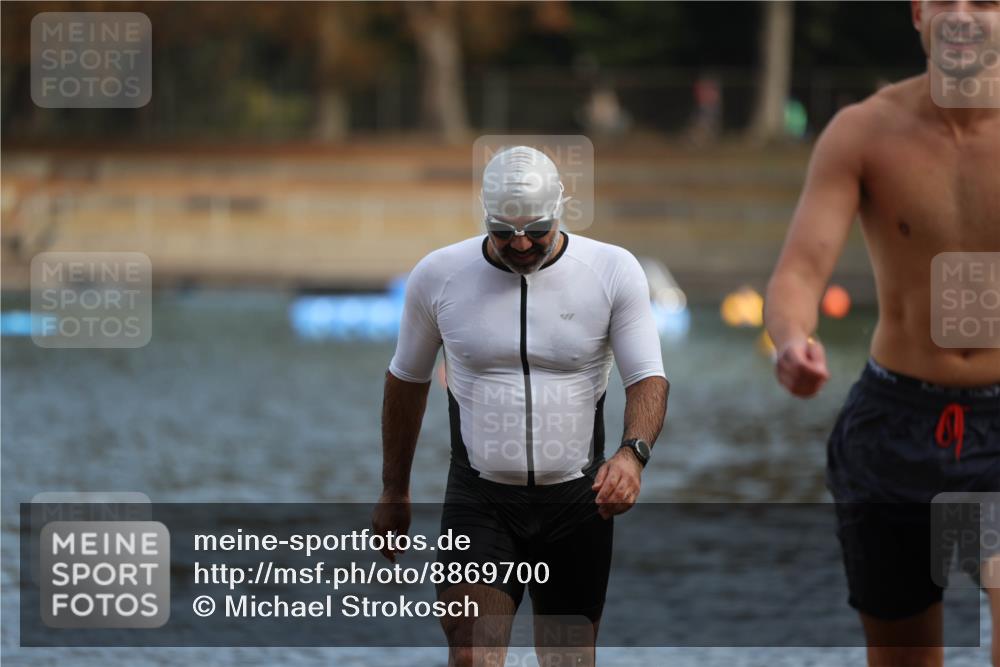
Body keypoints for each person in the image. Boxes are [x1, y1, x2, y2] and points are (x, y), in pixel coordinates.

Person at [765, 2, 1000, 666]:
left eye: (983, 1)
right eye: (945, 1)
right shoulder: (864, 132)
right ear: (918, 13)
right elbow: (800, 272)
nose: (963, 16)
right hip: (894, 424)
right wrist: (791, 340)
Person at [372, 145, 669, 667]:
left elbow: (646, 378)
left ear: (561, 209)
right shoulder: (439, 275)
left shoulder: (612, 270)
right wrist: (394, 487)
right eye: (504, 231)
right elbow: (406, 380)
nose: (522, 242)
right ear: (483, 216)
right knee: (473, 659)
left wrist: (631, 454)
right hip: (480, 501)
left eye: (537, 227)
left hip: (577, 503)